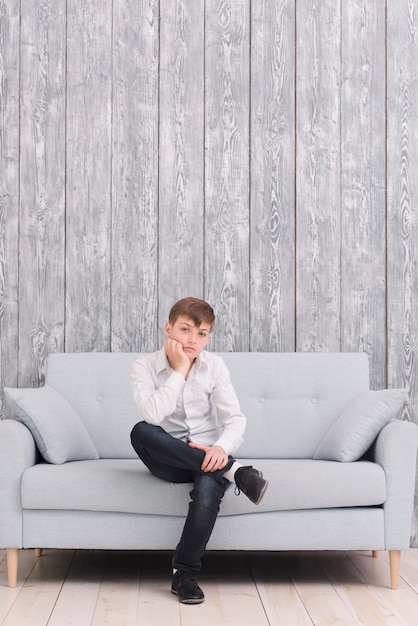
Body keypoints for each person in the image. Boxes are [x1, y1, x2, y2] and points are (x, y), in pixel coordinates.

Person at [130, 297, 268, 604]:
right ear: (169, 328)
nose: (193, 340)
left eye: (202, 333)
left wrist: (219, 447)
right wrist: (178, 371)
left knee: (207, 488)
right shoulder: (144, 367)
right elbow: (153, 415)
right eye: (186, 329)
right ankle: (235, 471)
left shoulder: (214, 366)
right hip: (169, 458)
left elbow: (234, 419)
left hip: (209, 455)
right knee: (140, 430)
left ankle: (184, 575)